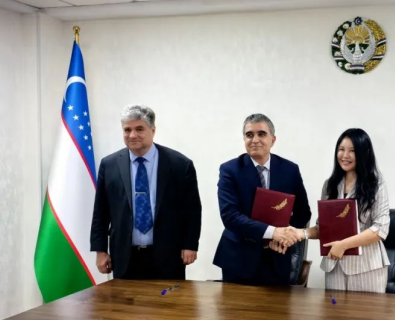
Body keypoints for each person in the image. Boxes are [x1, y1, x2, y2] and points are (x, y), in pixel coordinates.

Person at [90, 104, 202, 279]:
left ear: (153, 130)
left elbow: (192, 210)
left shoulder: (180, 164)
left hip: (168, 255)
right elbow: (100, 211)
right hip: (124, 256)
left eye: (139, 129)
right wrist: (100, 250)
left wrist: (190, 245)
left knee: (169, 297)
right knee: (124, 298)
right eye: (127, 130)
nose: (132, 135)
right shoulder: (109, 165)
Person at [273, 128, 390, 293]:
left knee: (366, 311)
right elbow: (323, 228)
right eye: (341, 149)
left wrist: (344, 245)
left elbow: (380, 229)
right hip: (334, 265)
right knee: (333, 310)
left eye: (352, 151)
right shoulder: (330, 185)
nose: (345, 155)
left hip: (367, 267)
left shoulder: (376, 184)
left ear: (365, 153)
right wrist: (301, 233)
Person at [213, 113, 311, 285]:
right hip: (239, 259)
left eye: (261, 134)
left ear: (273, 139)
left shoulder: (290, 170)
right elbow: (230, 216)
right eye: (249, 135)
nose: (255, 140)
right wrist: (273, 232)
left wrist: (284, 238)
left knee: (277, 304)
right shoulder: (230, 170)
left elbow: (303, 213)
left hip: (277, 257)